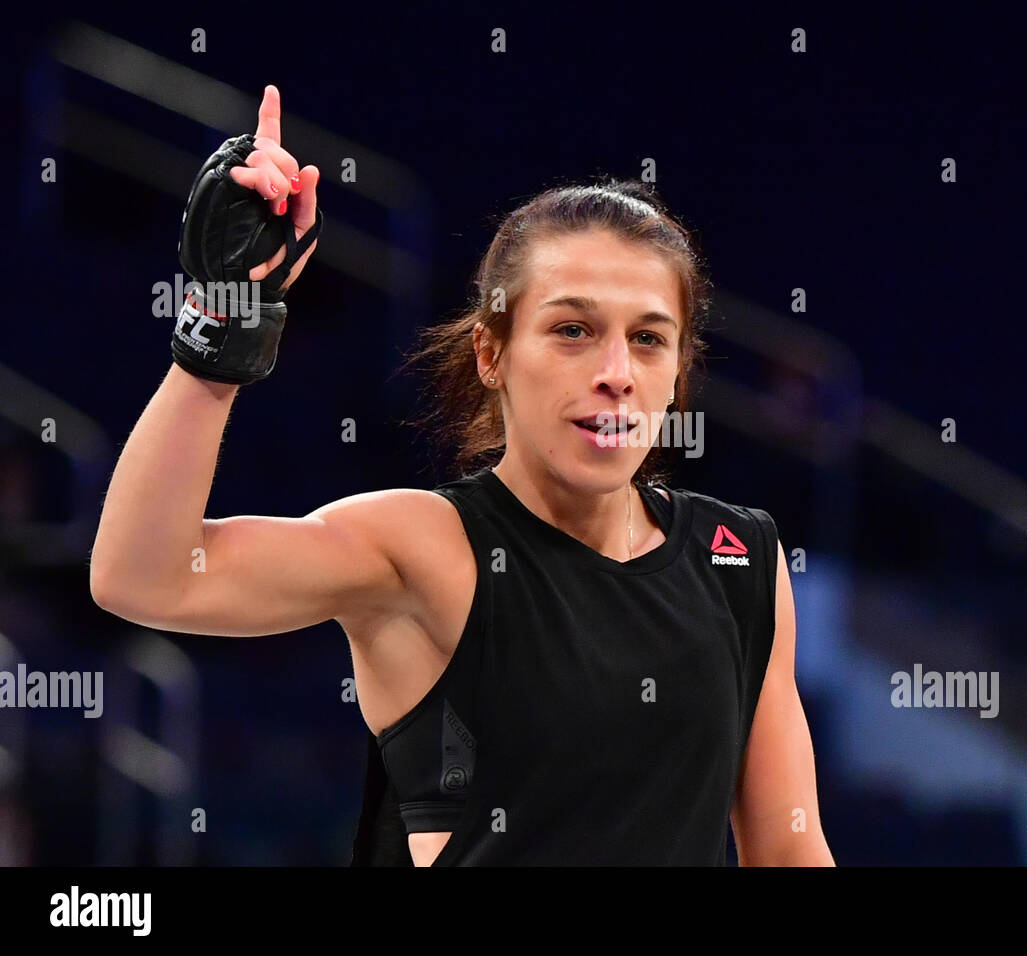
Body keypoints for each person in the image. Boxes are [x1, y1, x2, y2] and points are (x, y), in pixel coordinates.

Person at [90, 85, 834, 867]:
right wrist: (223, 321)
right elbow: (143, 576)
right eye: (572, 330)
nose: (616, 372)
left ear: (679, 369)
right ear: (491, 354)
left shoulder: (740, 557)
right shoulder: (421, 547)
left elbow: (791, 852)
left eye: (649, 339)